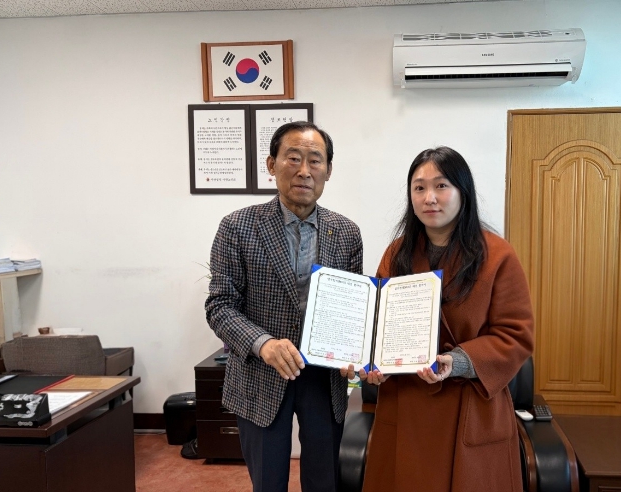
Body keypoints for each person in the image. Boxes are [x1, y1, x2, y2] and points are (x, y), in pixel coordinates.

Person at [345, 146, 534, 491]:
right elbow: (377, 326)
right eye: (419, 188)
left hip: (470, 406)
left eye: (441, 186)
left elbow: (516, 335)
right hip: (406, 406)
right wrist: (371, 363)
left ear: (463, 192)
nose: (429, 197)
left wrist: (457, 362)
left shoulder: (497, 255)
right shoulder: (397, 254)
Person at [206, 121, 363, 492]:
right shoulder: (237, 227)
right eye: (293, 158)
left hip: (324, 376)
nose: (304, 170)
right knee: (268, 482)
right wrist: (263, 344)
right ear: (271, 164)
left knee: (324, 481)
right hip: (261, 372)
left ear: (328, 170)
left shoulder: (346, 232)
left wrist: (355, 355)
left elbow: (354, 308)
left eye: (315, 160)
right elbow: (220, 305)